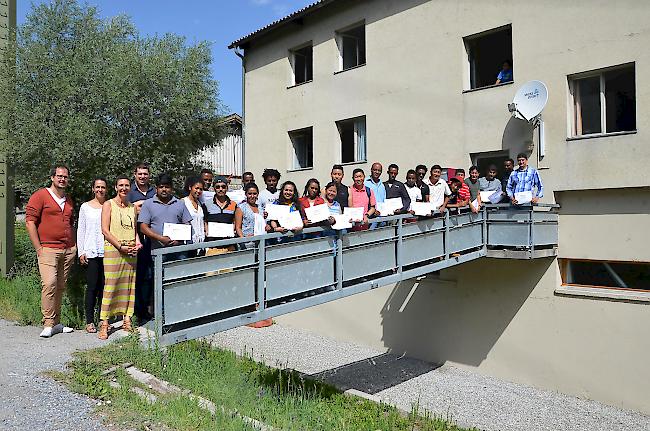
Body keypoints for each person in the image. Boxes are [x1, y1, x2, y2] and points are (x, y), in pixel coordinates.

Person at [25, 165, 76, 338]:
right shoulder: (40, 196)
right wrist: (38, 247)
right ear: (52, 177)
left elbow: (70, 223)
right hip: (47, 249)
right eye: (59, 176)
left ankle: (57, 323)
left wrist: (74, 247)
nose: (62, 179)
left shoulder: (68, 200)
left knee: (60, 286)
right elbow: (30, 222)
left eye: (65, 177)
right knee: (49, 284)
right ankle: (48, 322)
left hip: (67, 249)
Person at [98, 176, 140, 340]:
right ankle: (105, 323)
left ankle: (127, 319)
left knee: (129, 285)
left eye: (127, 185)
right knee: (111, 285)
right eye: (121, 185)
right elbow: (105, 230)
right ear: (115, 187)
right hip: (114, 249)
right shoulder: (108, 204)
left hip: (130, 250)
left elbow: (135, 230)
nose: (124, 188)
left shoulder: (132, 207)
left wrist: (136, 246)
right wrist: (120, 246)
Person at [139, 173, 193, 263]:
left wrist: (179, 239)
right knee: (159, 276)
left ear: (171, 188)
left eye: (167, 187)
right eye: (161, 187)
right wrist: (160, 238)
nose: (164, 190)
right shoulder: (148, 204)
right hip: (158, 251)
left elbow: (187, 224)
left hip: (179, 251)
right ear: (156, 188)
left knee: (180, 276)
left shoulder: (180, 203)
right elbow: (143, 227)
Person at [125, 162, 155, 323]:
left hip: (153, 237)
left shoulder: (155, 192)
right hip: (134, 238)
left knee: (151, 275)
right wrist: (134, 208)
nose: (143, 176)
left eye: (145, 174)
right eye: (140, 174)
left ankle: (146, 310)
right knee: (136, 275)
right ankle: (135, 311)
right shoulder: (129, 192)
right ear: (135, 175)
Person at [77, 177, 107, 333]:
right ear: (93, 189)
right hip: (91, 252)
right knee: (92, 287)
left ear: (107, 189)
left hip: (107, 252)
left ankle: (103, 319)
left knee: (104, 288)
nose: (100, 190)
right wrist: (81, 251)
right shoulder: (85, 207)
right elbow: (81, 229)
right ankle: (89, 321)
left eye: (102, 187)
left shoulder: (109, 206)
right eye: (97, 187)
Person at [202, 176, 238, 254]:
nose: (220, 189)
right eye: (218, 187)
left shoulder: (233, 204)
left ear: (227, 188)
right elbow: (205, 221)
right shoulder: (207, 204)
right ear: (214, 188)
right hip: (212, 246)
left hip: (229, 246)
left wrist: (233, 230)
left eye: (223, 187)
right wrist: (207, 231)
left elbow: (235, 221)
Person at [182, 176, 205, 254]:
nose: (198, 191)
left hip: (200, 244)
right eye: (196, 188)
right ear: (190, 188)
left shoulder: (200, 204)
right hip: (188, 244)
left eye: (201, 189)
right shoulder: (183, 202)